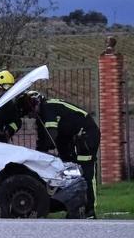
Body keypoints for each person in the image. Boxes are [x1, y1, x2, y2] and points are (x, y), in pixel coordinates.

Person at [17, 91, 100, 219]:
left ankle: (90, 211)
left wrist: (44, 154)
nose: (30, 114)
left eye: (30, 109)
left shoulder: (48, 107)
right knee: (69, 174)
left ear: (36, 102)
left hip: (86, 135)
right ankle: (76, 208)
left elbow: (51, 135)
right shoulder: (41, 117)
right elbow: (43, 142)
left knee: (86, 172)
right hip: (71, 138)